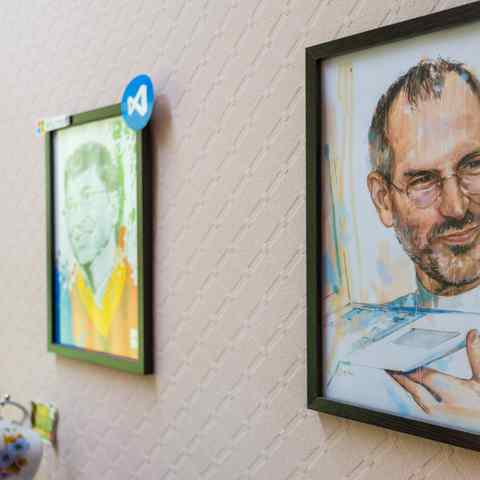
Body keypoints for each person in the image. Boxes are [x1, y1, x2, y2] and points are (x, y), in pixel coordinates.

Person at [328, 58, 480, 430]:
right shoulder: (352, 356)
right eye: (423, 181)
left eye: (474, 165)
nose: (456, 207)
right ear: (384, 200)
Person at [55, 142, 138, 359]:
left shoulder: (137, 279)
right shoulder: (64, 292)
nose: (77, 221)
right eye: (71, 205)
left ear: (114, 204)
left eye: (87, 198)